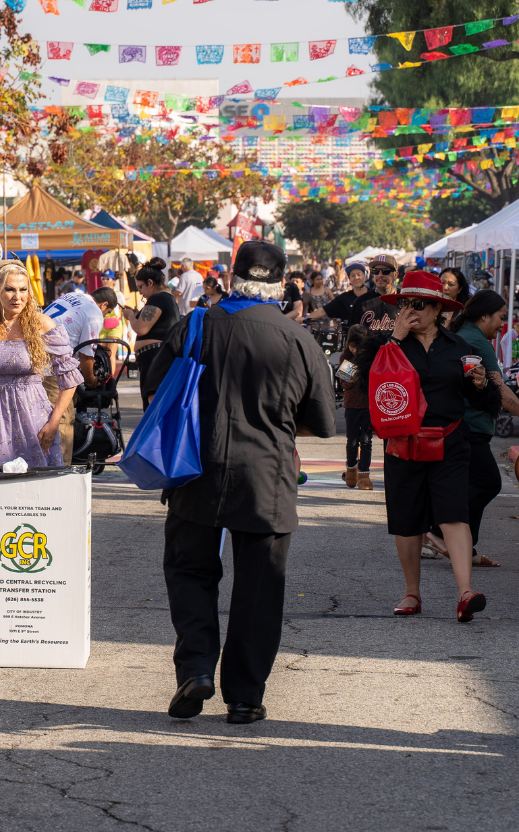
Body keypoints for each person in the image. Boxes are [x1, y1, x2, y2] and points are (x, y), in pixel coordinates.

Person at [148, 241, 334, 725]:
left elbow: (155, 391)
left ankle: (196, 668)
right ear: (281, 284)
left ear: (231, 277)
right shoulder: (298, 338)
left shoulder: (195, 324)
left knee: (189, 571)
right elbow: (321, 421)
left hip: (194, 466)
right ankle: (245, 697)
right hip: (267, 475)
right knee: (259, 587)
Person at [353, 272, 500, 621]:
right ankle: (411, 593)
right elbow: (367, 384)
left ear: (437, 309)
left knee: (454, 513)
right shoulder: (385, 345)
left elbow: (480, 400)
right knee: (406, 520)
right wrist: (395, 339)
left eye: (419, 305)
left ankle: (465, 593)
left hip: (448, 440)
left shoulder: (459, 347)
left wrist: (480, 384)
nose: (410, 310)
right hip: (402, 443)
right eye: (405, 304)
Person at [446, 290, 519, 568]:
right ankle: (441, 531)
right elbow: (500, 390)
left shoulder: (464, 335)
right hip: (469, 426)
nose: (503, 324)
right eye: (500, 317)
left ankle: (465, 547)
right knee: (488, 483)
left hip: (463, 424)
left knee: (472, 484)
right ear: (484, 315)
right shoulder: (476, 341)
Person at [0, 260, 83, 471]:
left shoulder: (42, 324)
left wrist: (54, 423)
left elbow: (69, 378)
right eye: (10, 289)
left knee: (33, 490)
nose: (18, 297)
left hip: (34, 419)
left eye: (23, 289)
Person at [42, 281, 105, 459]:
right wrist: (91, 380)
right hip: (53, 367)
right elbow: (86, 357)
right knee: (62, 418)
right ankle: (61, 470)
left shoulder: (72, 296)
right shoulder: (95, 313)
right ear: (105, 305)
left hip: (36, 359)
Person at [124, 260, 179, 407]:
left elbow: (141, 328)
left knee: (152, 406)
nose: (140, 292)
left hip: (154, 357)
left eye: (141, 287)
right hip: (156, 356)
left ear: (150, 282)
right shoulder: (166, 298)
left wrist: (130, 315)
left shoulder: (158, 298)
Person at [338, 324, 373, 490]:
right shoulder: (346, 358)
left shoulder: (370, 358)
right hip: (351, 405)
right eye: (352, 346)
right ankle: (351, 470)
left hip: (368, 405)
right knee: (352, 440)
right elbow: (344, 383)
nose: (355, 350)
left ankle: (364, 474)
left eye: (358, 347)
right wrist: (353, 379)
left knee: (366, 440)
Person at [306, 260, 371, 328]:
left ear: (366, 277)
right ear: (349, 279)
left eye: (359, 275)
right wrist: (305, 319)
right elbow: (323, 311)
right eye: (352, 275)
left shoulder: (374, 296)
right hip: (350, 337)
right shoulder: (344, 298)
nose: (356, 278)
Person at [356, 253, 400, 332]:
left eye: (385, 271)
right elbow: (352, 337)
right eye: (375, 271)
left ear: (395, 275)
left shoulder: (405, 300)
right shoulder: (361, 302)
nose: (380, 275)